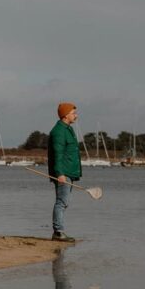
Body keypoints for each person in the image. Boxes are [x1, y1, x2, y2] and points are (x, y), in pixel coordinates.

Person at [48, 101, 81, 242]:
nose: (76, 115)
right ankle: (58, 232)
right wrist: (60, 173)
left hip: (69, 172)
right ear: (65, 115)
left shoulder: (68, 129)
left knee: (64, 202)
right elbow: (57, 153)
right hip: (63, 173)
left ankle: (59, 231)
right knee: (61, 202)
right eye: (73, 113)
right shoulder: (59, 131)